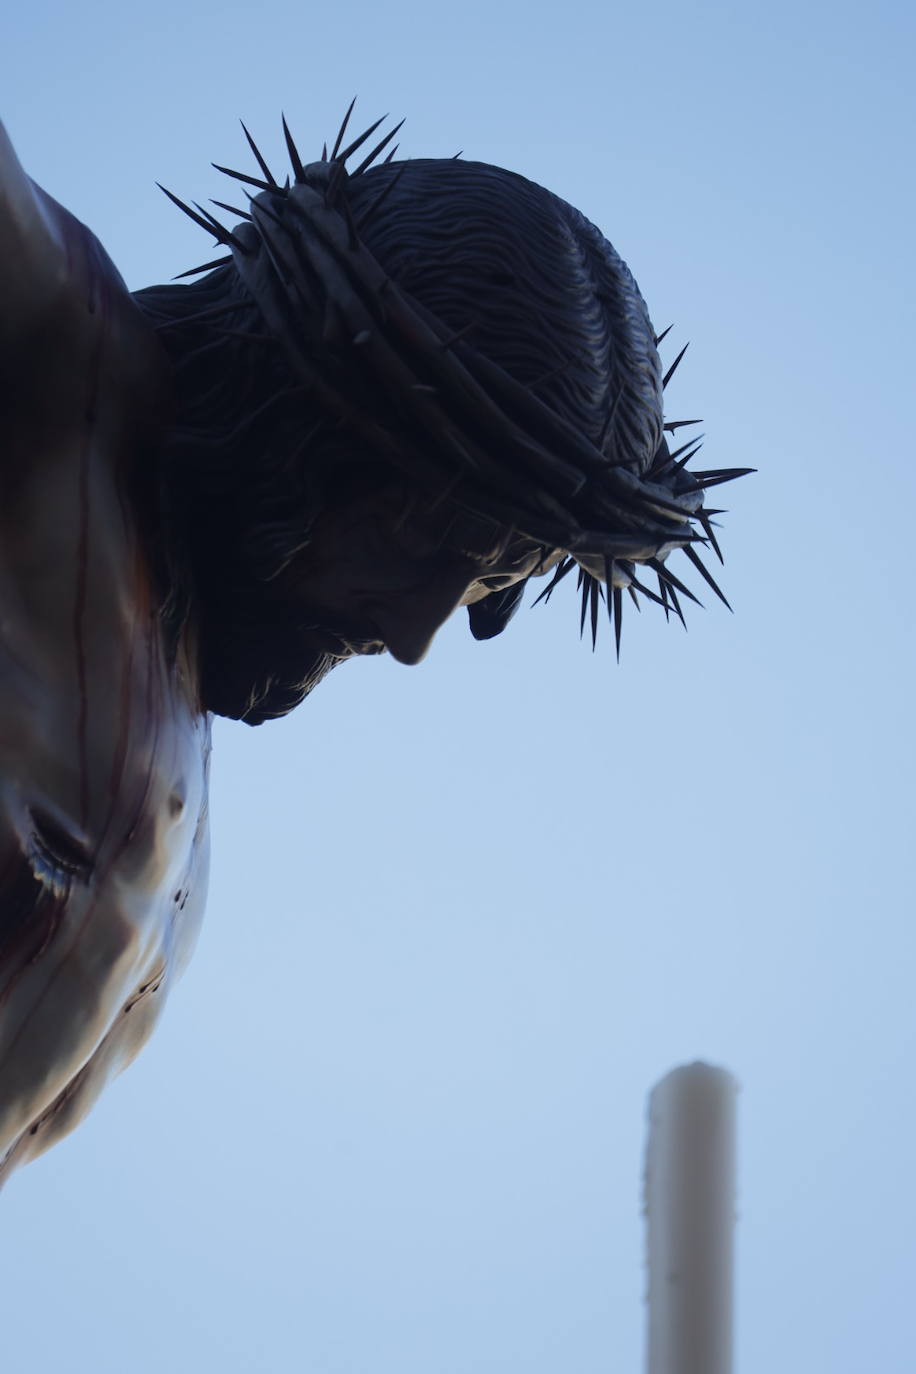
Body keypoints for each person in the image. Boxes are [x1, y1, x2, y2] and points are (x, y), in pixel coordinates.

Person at [0, 110, 742, 1185]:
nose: (410, 636)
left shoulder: (178, 810)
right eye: (408, 533)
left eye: (488, 582)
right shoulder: (55, 365)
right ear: (290, 401)